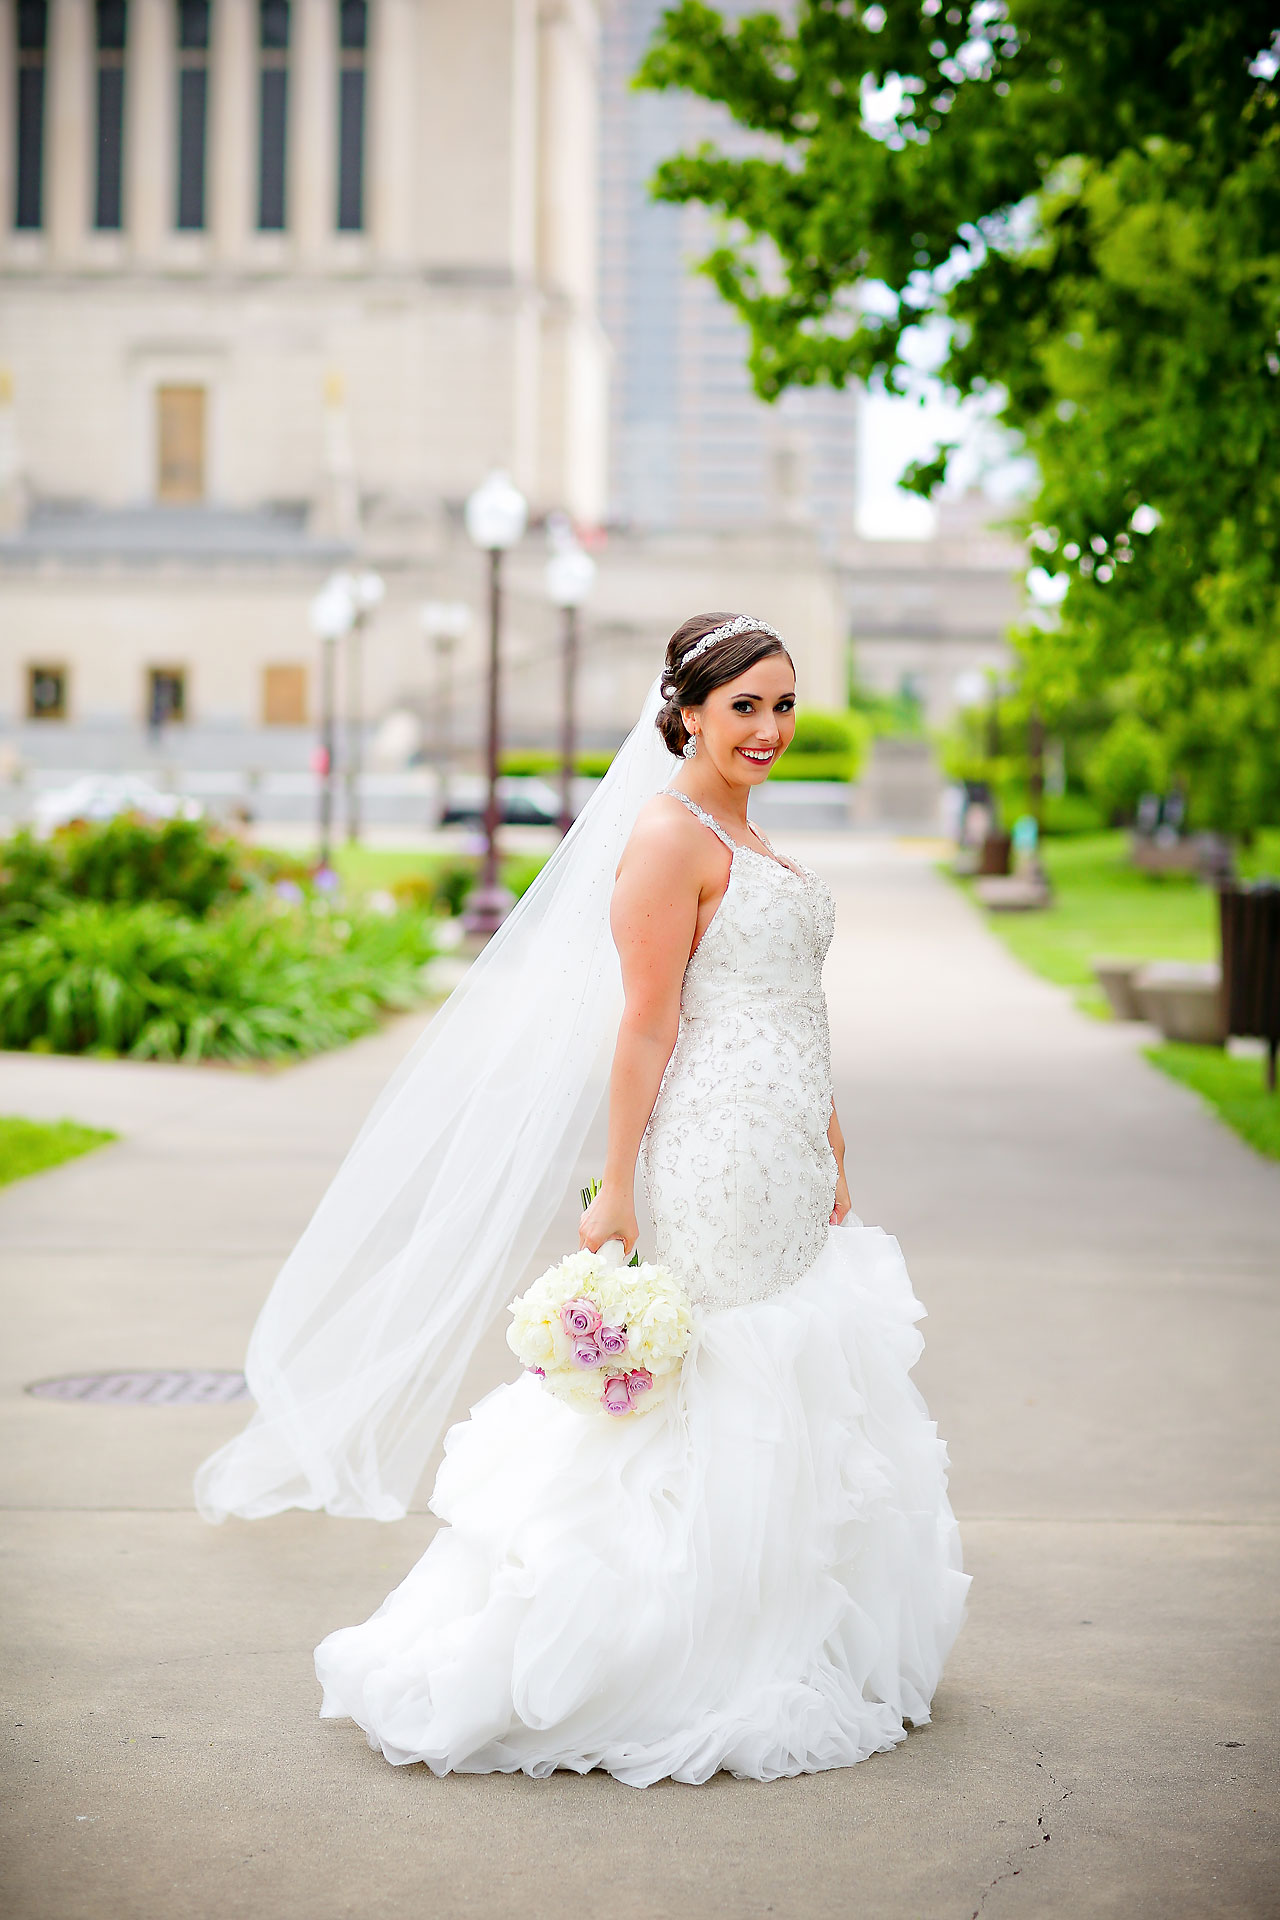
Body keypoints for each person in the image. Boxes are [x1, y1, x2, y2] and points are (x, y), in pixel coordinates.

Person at [297, 613, 969, 1786]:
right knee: (721, 1376)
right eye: (743, 705)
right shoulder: (667, 836)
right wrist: (615, 1185)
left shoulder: (747, 832)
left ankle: (783, 1623)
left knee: (793, 1369)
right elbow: (646, 1023)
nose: (768, 728)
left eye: (782, 704)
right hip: (713, 1148)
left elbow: (788, 1008)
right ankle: (668, 1649)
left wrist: (830, 1138)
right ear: (687, 712)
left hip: (785, 1144)